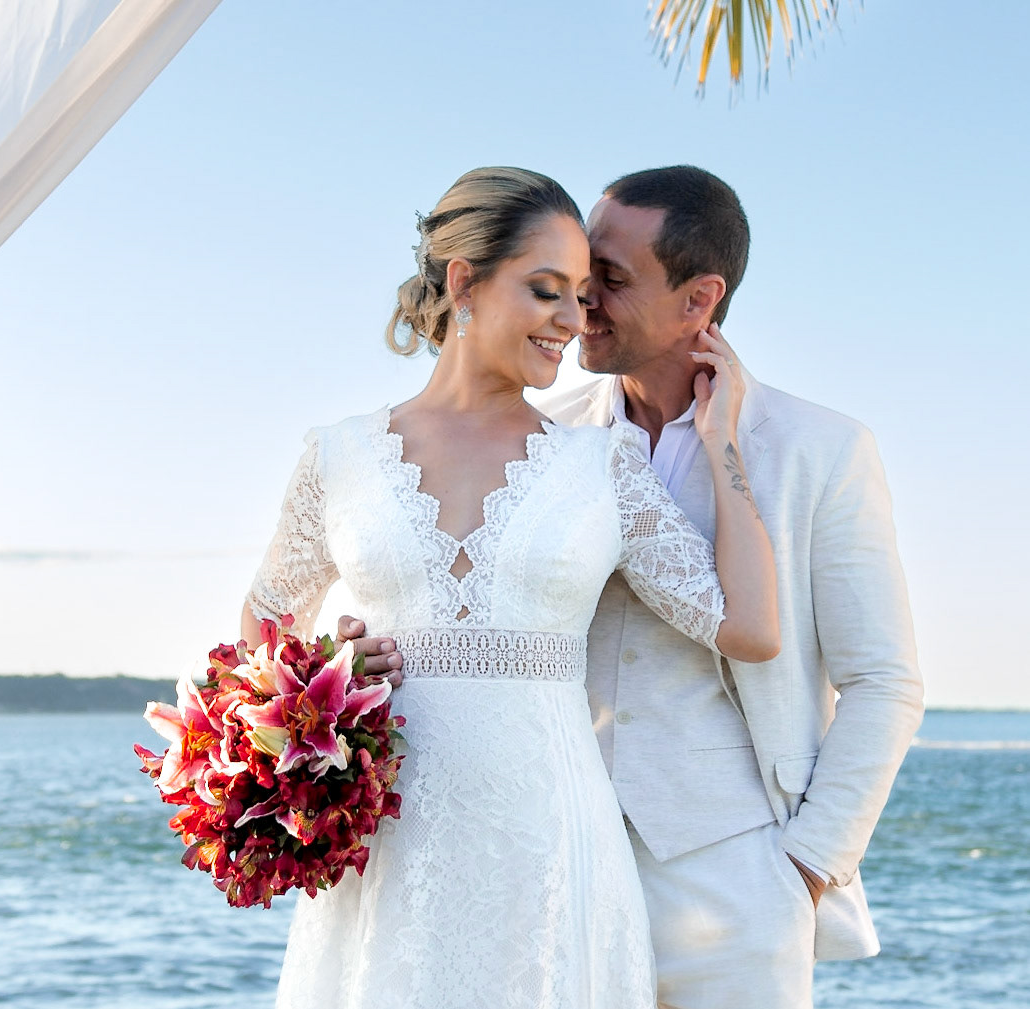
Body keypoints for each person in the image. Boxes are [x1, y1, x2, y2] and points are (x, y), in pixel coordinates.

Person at [341, 166, 925, 1009]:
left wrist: (804, 867)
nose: (581, 306)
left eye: (608, 282)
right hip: (548, 868)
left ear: (699, 300)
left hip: (735, 881)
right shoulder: (545, 432)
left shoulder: (818, 449)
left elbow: (885, 680)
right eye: (577, 280)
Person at [242, 166, 781, 1009]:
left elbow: (748, 628)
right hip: (389, 850)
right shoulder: (336, 454)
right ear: (464, 282)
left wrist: (723, 442)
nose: (574, 321)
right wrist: (324, 674)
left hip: (551, 857)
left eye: (581, 294)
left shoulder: (602, 464)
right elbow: (263, 622)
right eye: (547, 292)